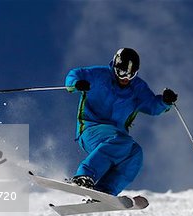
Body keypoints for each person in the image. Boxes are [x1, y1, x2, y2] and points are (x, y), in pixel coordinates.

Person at [65, 48, 177, 196]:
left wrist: (165, 101)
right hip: (90, 128)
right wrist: (76, 83)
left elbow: (152, 106)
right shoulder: (99, 75)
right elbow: (74, 75)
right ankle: (83, 176)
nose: (126, 77)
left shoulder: (138, 88)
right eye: (122, 72)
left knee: (135, 153)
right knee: (119, 139)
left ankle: (105, 189)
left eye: (131, 74)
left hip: (117, 138)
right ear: (115, 66)